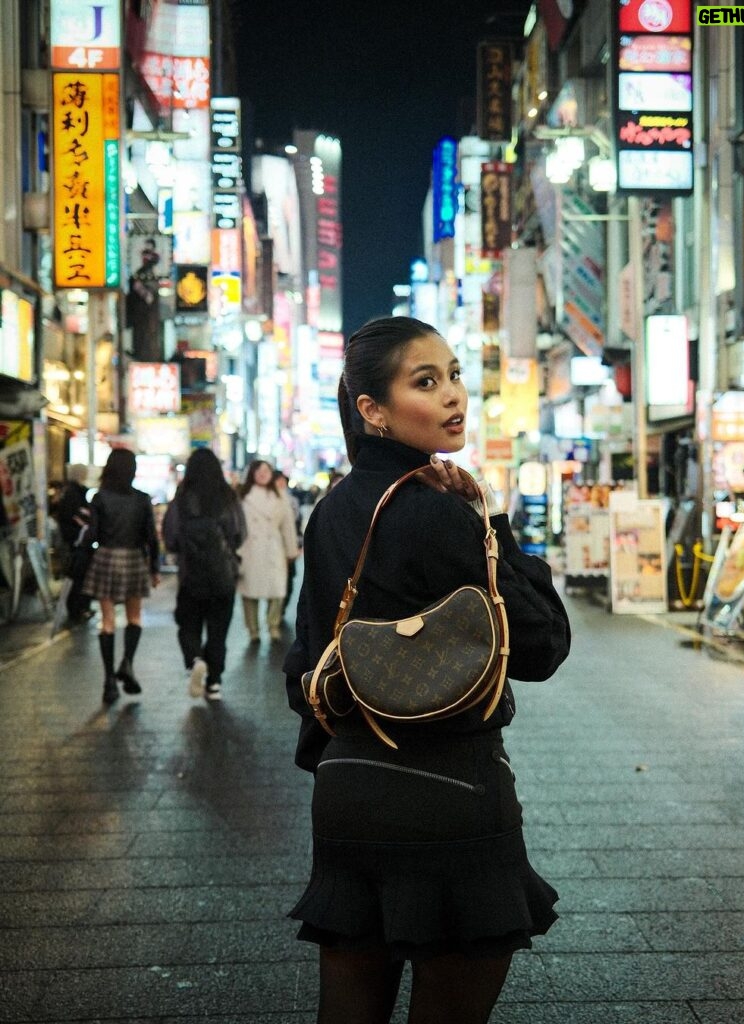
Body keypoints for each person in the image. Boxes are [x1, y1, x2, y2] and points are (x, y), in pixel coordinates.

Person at [283, 316, 571, 1024]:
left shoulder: (331, 513)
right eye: (425, 381)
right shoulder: (442, 513)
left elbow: (304, 665)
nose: (452, 396)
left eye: (453, 375)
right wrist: (490, 520)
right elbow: (539, 647)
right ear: (371, 410)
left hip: (347, 793)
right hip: (450, 794)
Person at [162, 448, 246, 702]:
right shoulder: (228, 497)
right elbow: (240, 533)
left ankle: (195, 659)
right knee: (218, 631)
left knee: (188, 624)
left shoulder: (182, 497)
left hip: (191, 576)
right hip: (223, 576)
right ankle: (214, 683)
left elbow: (171, 536)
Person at [82, 449, 160, 705]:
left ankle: (109, 683)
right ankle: (127, 662)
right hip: (134, 558)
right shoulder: (142, 499)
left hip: (105, 558)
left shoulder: (99, 498)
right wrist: (154, 569)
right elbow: (151, 537)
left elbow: (92, 535)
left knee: (107, 622)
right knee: (134, 617)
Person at [237, 459, 299, 643]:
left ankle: (273, 625)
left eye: (266, 471)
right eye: (259, 471)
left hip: (274, 548)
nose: (263, 474)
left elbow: (288, 526)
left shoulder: (280, 496)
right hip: (250, 549)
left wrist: (291, 550)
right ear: (252, 474)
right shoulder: (243, 495)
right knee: (250, 592)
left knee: (278, 590)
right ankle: (253, 629)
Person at [54, 463, 93, 621]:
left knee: (77, 577)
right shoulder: (74, 493)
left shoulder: (70, 492)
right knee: (78, 577)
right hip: (77, 542)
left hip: (75, 541)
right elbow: (76, 516)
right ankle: (77, 610)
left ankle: (78, 609)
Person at [273, 469, 302, 617]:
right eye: (278, 480)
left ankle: (281, 610)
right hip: (274, 548)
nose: (281, 483)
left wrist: (299, 544)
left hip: (290, 546)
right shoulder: (269, 500)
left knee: (289, 581)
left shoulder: (293, 501)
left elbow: (297, 525)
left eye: (283, 480)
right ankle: (274, 616)